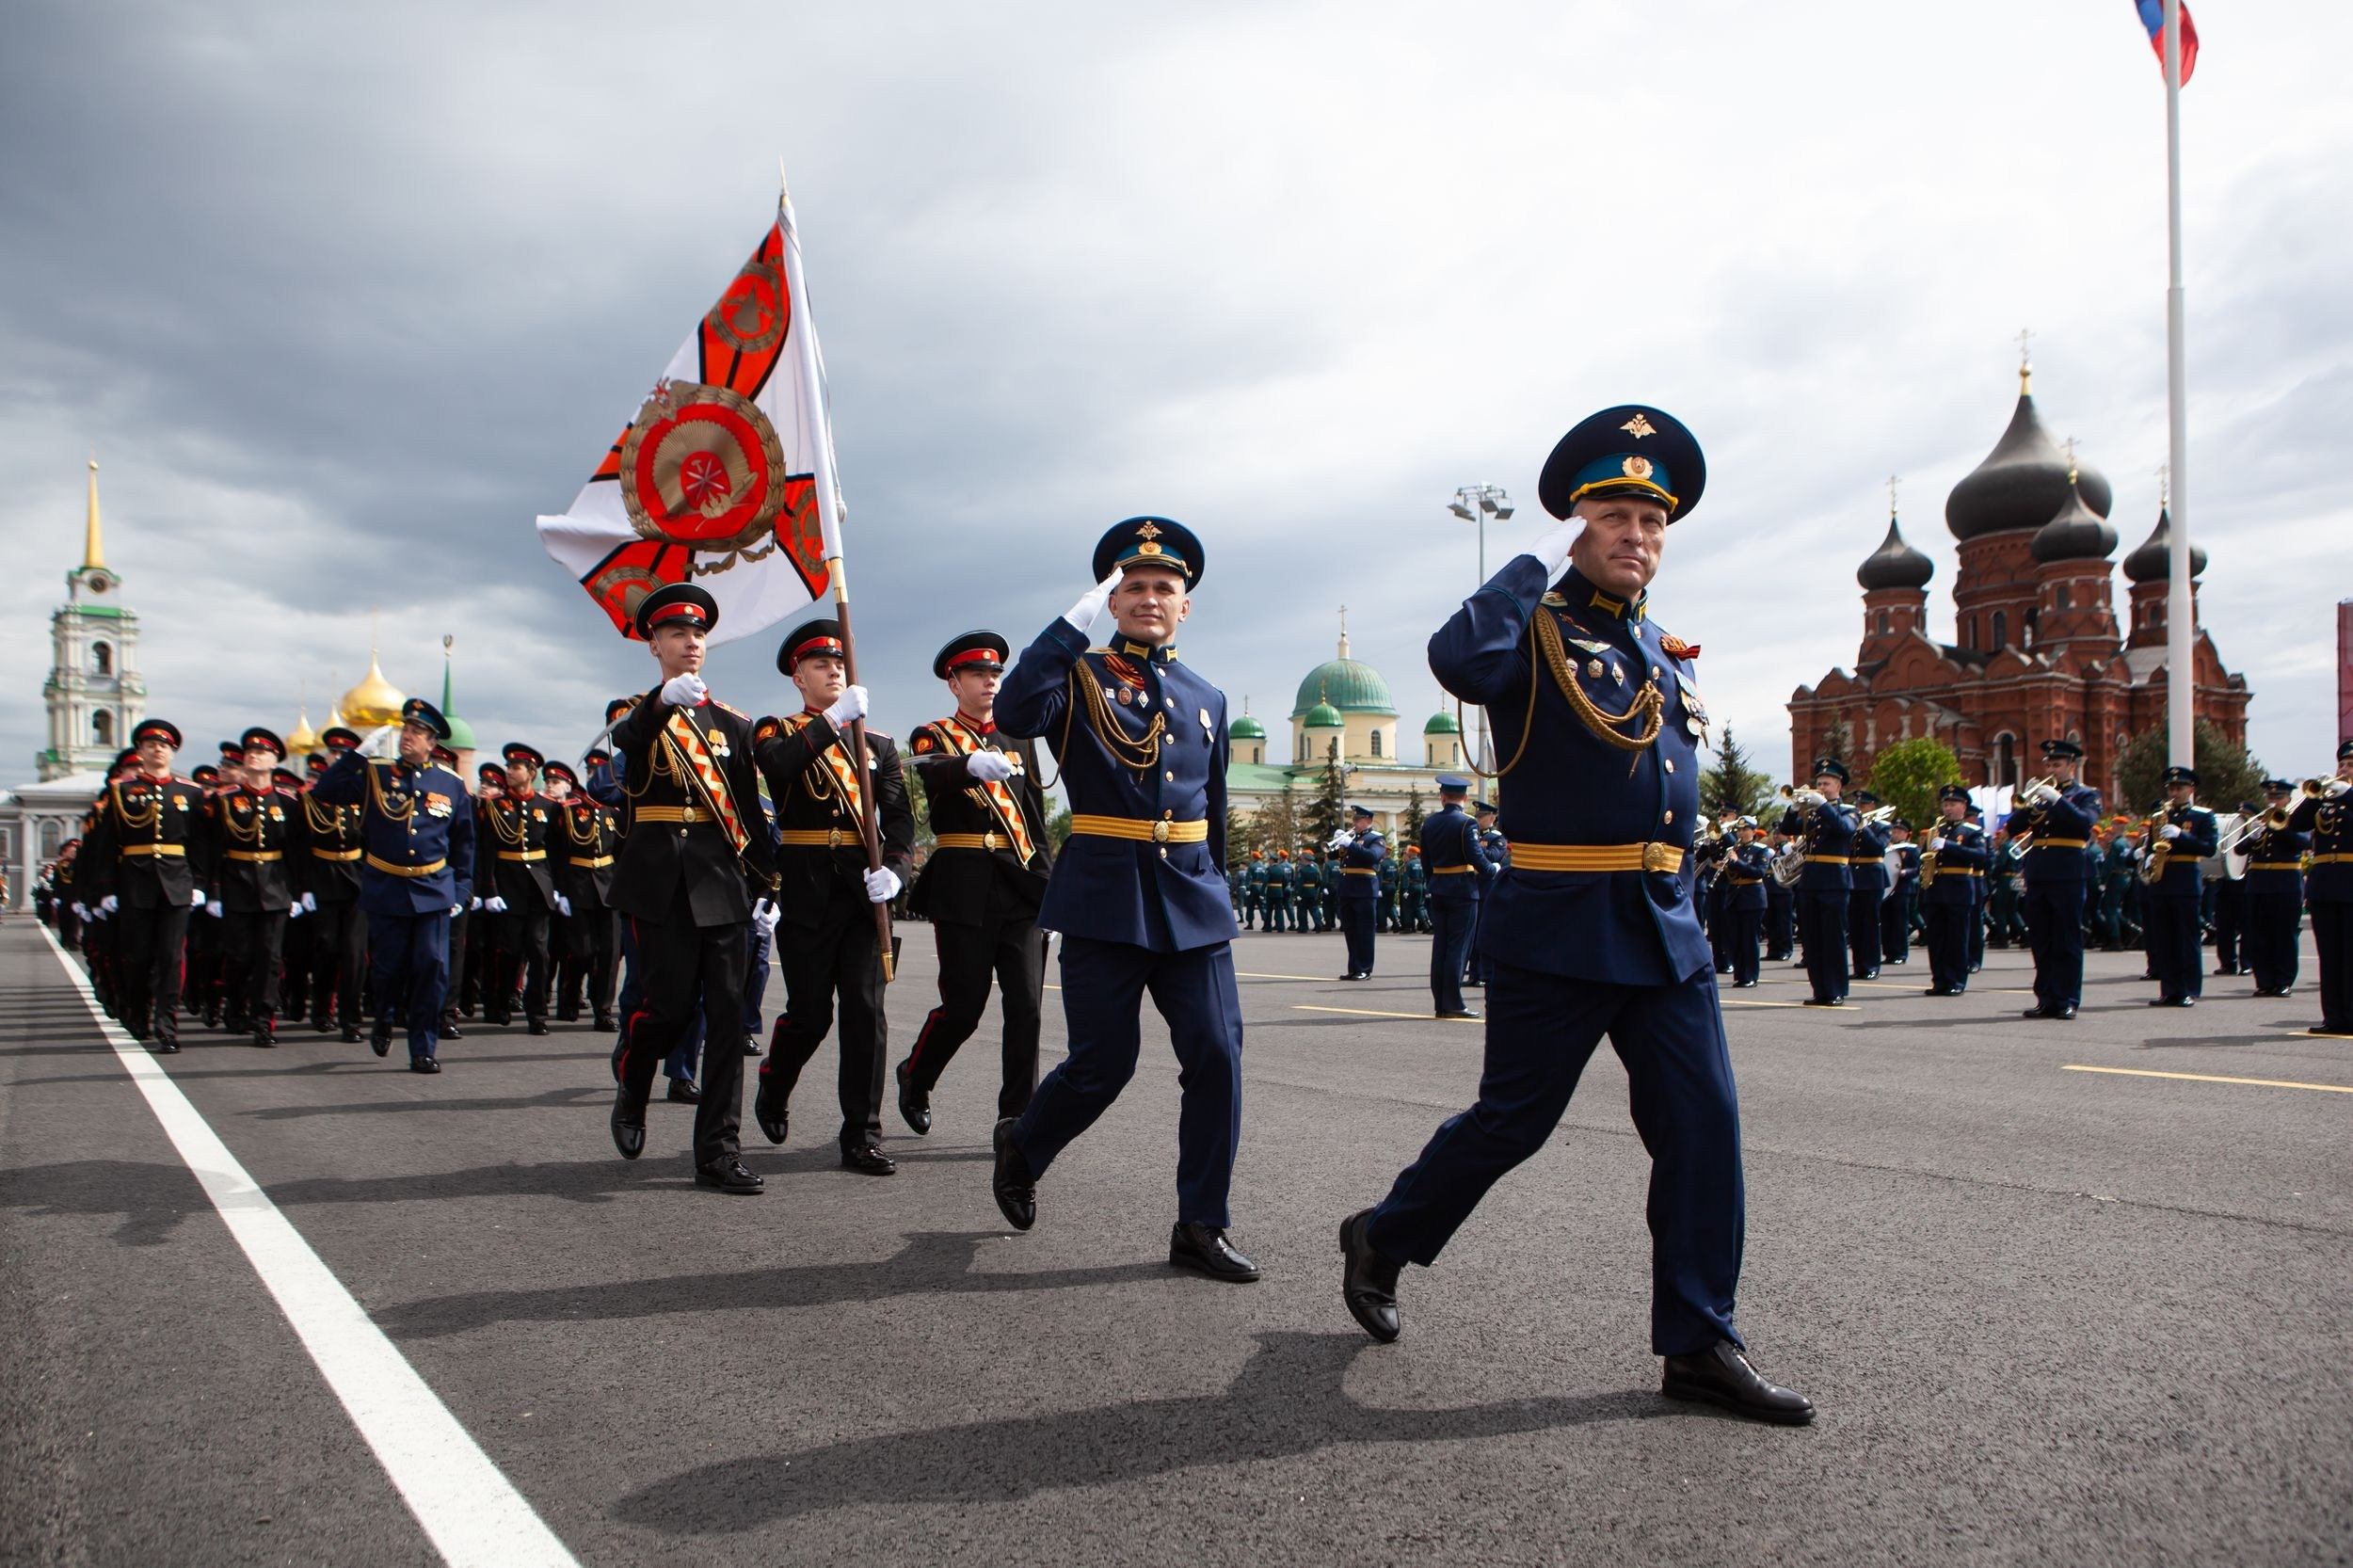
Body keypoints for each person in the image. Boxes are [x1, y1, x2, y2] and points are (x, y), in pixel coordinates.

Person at [1338, 405, 1807, 1423]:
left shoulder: (1658, 649)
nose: (1635, 536)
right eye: (1611, 516)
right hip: (1558, 921)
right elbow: (1458, 662)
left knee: (1703, 1125)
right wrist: (1527, 561)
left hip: (1662, 922)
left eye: (1651, 520)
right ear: (1574, 526)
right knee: (1514, 1122)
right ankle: (1384, 1232)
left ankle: (1697, 1341)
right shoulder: (1532, 630)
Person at [989, 516, 1257, 1282]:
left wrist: (1221, 890)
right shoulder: (1076, 675)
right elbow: (1013, 716)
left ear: (1186, 605)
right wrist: (1068, 629)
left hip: (1192, 898)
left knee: (1218, 1057)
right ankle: (1025, 1143)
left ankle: (1201, 1224)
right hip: (1106, 896)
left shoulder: (1207, 694)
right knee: (1103, 1064)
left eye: (1164, 588)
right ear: (1111, 602)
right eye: (1132, 588)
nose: (1149, 598)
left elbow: (1213, 801)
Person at [605, 584, 781, 1193]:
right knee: (668, 1009)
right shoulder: (635, 712)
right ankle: (633, 1081)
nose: (690, 643)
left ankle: (718, 1151)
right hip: (658, 879)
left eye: (699, 634)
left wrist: (772, 880)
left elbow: (749, 816)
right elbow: (626, 749)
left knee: (728, 1018)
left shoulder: (730, 723)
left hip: (718, 878)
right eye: (677, 634)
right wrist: (659, 705)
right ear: (654, 644)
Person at [750, 617, 914, 1176]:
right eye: (821, 665)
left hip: (863, 894)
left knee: (867, 1013)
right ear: (798, 677)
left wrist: (894, 873)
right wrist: (832, 720)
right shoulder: (777, 731)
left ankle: (861, 1134)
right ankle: (775, 1081)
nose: (834, 672)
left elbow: (900, 824)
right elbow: (776, 768)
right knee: (810, 1014)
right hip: (807, 888)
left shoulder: (880, 745)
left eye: (840, 664)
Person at [897, 630, 1054, 1135]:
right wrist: (969, 764)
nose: (990, 682)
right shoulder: (933, 734)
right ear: (954, 683)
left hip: (1021, 888)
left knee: (1027, 1006)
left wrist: (1054, 895)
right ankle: (916, 1074)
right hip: (963, 888)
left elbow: (1034, 819)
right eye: (978, 675)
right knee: (963, 1009)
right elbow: (934, 774)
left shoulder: (1019, 736)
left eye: (995, 674)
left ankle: (1016, 1117)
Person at [311, 699, 475, 1071]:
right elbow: (323, 792)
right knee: (388, 968)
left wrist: (462, 889)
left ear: (432, 742)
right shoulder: (375, 774)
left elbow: (465, 843)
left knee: (432, 968)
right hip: (387, 886)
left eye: (417, 732)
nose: (408, 736)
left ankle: (422, 1048)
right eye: (406, 729)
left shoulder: (450, 784)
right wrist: (356, 756)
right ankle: (384, 1016)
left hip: (434, 888)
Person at [74, 719, 207, 1049]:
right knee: (137, 957)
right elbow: (106, 846)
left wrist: (200, 883)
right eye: (150, 745)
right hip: (135, 883)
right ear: (140, 751)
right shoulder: (121, 793)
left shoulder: (190, 793)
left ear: (172, 752)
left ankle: (167, 1025)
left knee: (171, 957)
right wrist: (105, 890)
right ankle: (138, 1012)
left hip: (177, 883)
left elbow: (201, 844)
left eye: (163, 745)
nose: (157, 749)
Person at [203, 727, 300, 1047]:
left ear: (274, 761)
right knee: (240, 956)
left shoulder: (287, 801)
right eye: (250, 752)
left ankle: (264, 1021)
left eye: (262, 752)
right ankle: (235, 1006)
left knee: (270, 958)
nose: (254, 755)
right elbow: (213, 849)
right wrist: (214, 891)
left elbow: (296, 852)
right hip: (237, 885)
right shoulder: (226, 800)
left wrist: (297, 893)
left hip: (274, 888)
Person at [2012, 739, 2103, 1020]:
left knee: (2066, 939)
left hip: (2068, 874)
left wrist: (2058, 800)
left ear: (2071, 767)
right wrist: (2028, 806)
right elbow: (2013, 827)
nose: (2052, 768)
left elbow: (2084, 824)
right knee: (2041, 940)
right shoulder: (2040, 797)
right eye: (2048, 764)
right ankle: (2046, 998)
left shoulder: (2087, 795)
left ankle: (2067, 999)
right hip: (2039, 872)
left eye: (2057, 765)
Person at [479, 743, 560, 1033]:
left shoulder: (548, 806)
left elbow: (556, 851)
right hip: (507, 886)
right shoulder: (494, 806)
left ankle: (536, 1013)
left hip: (538, 886)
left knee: (539, 952)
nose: (509, 772)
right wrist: (488, 890)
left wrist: (558, 888)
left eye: (515, 768)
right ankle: (501, 1001)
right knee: (510, 950)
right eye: (509, 767)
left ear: (531, 772)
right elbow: (486, 851)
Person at [2286, 745, 2353, 1035]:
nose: (2345, 769)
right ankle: (2334, 1017)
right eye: (2344, 763)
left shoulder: (2347, 797)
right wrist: (2314, 797)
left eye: (2351, 764)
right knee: (2330, 955)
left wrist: (2347, 794)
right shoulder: (2327, 800)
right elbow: (2295, 824)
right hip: (2325, 883)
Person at [1780, 760, 1858, 1007]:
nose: (1821, 787)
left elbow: (1844, 830)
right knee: (1812, 939)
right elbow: (1787, 828)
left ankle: (1835, 990)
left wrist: (1823, 805)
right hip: (1811, 880)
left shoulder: (1849, 811)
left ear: (1839, 785)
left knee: (1832, 939)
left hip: (1834, 880)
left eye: (1826, 783)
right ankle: (1820, 990)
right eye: (1819, 783)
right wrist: (1794, 808)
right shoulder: (1812, 812)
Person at [553, 759, 622, 1031]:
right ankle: (569, 997)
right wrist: (559, 891)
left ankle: (602, 1010)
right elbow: (557, 853)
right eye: (593, 773)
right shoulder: (568, 810)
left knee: (609, 953)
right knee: (581, 951)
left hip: (610, 887)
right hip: (578, 886)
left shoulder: (615, 810)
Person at [2142, 766, 2219, 1007]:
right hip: (2162, 881)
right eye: (2171, 788)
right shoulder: (2159, 816)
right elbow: (2152, 845)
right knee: (2164, 939)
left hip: (2186, 881)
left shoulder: (2203, 816)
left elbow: (2208, 848)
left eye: (2179, 788)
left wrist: (2181, 835)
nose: (2174, 792)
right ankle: (2169, 989)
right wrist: (2146, 856)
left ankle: (2188, 989)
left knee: (2186, 938)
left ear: (2191, 789)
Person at [1421, 775, 1493, 1019]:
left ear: (1442, 797)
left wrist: (1434, 882)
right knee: (1458, 949)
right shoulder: (1467, 823)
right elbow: (1475, 856)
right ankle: (1453, 1002)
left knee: (1440, 947)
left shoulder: (1430, 823)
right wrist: (1492, 869)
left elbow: (1426, 862)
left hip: (1439, 888)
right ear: (1464, 797)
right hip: (1462, 890)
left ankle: (1441, 1002)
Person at [2242, 779, 2307, 999]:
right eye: (2271, 798)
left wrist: (2281, 827)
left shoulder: (2298, 818)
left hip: (2286, 882)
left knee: (2284, 933)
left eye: (2278, 797)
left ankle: (2283, 981)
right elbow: (2239, 849)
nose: (2274, 801)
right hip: (2259, 882)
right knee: (2259, 934)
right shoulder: (2258, 820)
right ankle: (2264, 981)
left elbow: (2302, 844)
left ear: (2288, 798)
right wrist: (2252, 835)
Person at [1920, 786, 1988, 996]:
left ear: (1963, 806)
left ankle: (1956, 980)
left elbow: (1980, 856)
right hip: (1936, 888)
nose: (1947, 808)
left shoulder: (1971, 832)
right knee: (1937, 938)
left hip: (1959, 890)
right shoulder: (1935, 830)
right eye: (1945, 804)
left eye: (1952, 804)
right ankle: (1939, 979)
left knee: (1957, 939)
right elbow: (1924, 857)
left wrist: (1949, 846)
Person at [1332, 805, 1385, 980]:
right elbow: (1333, 857)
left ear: (1368, 821)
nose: (1354, 823)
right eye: (1353, 819)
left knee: (1364, 931)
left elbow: (1372, 857)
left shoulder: (1376, 838)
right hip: (1347, 888)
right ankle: (1354, 967)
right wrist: (1337, 843)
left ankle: (1364, 968)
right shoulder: (1353, 838)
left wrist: (1350, 844)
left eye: (1358, 820)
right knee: (1351, 930)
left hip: (1364, 889)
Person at [1846, 790, 1891, 982]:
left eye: (1863, 805)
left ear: (1872, 806)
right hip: (1853, 878)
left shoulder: (1882, 826)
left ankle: (1871, 966)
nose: (1859, 808)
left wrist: (1863, 829)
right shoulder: (1851, 824)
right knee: (1855, 926)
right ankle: (1859, 966)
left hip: (1872, 878)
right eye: (1858, 805)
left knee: (1870, 925)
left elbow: (1879, 848)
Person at [1720, 818, 1769, 988]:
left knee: (1749, 939)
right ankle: (1740, 974)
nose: (1741, 833)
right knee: (1736, 939)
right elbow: (1730, 876)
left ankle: (1750, 975)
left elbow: (1758, 873)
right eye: (1739, 830)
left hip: (1752, 898)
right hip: (1734, 897)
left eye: (1745, 830)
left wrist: (1737, 862)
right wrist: (1724, 865)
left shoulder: (1761, 850)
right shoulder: (1734, 849)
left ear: (1754, 831)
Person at [1883, 819, 1919, 965]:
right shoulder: (1887, 847)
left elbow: (1917, 868)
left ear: (1907, 833)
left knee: (1900, 922)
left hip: (1903, 888)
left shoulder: (1911, 849)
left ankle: (1900, 953)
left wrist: (1906, 872)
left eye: (1900, 831)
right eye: (1895, 831)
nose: (1896, 834)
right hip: (1887, 889)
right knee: (1886, 922)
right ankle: (1889, 952)